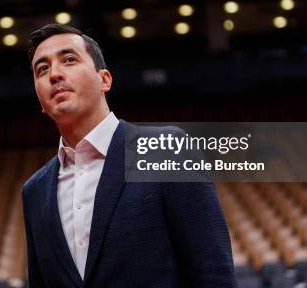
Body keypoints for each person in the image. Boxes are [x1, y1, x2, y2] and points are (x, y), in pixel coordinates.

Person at [22, 24, 235, 287]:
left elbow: (213, 272)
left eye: (69, 60)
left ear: (105, 80)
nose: (54, 74)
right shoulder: (33, 192)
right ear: (40, 99)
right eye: (42, 69)